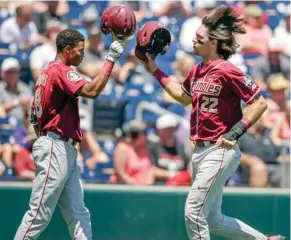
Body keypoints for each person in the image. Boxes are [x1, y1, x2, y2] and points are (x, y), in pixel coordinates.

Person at [139, 6, 284, 240]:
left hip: (219, 150)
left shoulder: (228, 70)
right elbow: (184, 96)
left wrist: (236, 132)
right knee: (213, 220)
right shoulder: (197, 70)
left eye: (200, 39)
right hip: (199, 151)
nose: (194, 42)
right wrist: (155, 71)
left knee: (193, 212)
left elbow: (259, 103)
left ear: (214, 43)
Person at [14, 29, 127, 240]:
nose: (83, 55)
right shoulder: (59, 69)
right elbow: (92, 91)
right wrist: (110, 59)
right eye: (80, 50)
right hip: (55, 145)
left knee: (79, 213)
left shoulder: (47, 73)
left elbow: (35, 120)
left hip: (60, 145)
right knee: (39, 214)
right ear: (67, 50)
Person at [110, 120, 155, 186]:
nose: (147, 136)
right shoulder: (122, 148)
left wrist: (148, 184)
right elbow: (120, 173)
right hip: (125, 189)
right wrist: (135, 185)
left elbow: (150, 169)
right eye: (145, 133)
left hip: (143, 189)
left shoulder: (145, 148)